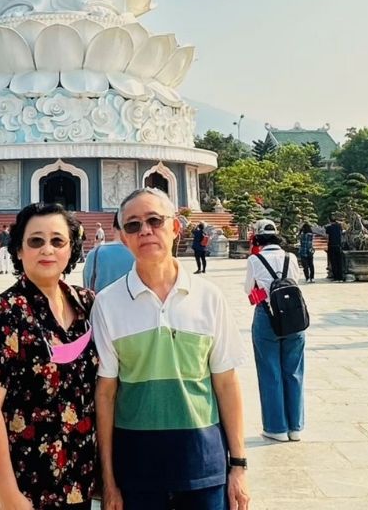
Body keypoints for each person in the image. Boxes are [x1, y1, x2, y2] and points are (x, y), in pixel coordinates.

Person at [93, 187, 249, 510]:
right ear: (123, 237)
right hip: (136, 467)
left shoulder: (209, 297)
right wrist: (108, 480)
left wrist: (239, 465)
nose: (145, 231)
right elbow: (106, 394)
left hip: (203, 464)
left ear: (176, 227)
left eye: (155, 220)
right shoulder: (107, 304)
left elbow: (226, 383)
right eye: (133, 225)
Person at [0, 202, 97, 510]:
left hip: (83, 474)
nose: (47, 250)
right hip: (30, 480)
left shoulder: (87, 304)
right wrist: (7, 491)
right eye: (35, 241)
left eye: (58, 241)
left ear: (72, 250)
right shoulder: (5, 311)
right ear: (18, 250)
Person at [244, 225, 306, 442]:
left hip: (267, 316)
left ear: (258, 239)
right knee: (294, 372)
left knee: (270, 372)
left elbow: (248, 289)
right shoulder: (290, 257)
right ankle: (295, 427)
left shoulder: (255, 260)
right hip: (293, 317)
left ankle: (276, 427)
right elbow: (295, 282)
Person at [82, 215, 136, 295]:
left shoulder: (95, 253)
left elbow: (87, 287)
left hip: (101, 305)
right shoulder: (141, 254)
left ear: (112, 228)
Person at [324, 216, 345, 282]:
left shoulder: (328, 228)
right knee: (339, 262)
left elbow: (327, 237)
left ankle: (336, 278)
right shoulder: (339, 227)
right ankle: (340, 277)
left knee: (333, 262)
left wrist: (326, 246)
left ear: (329, 220)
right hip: (339, 246)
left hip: (331, 246)